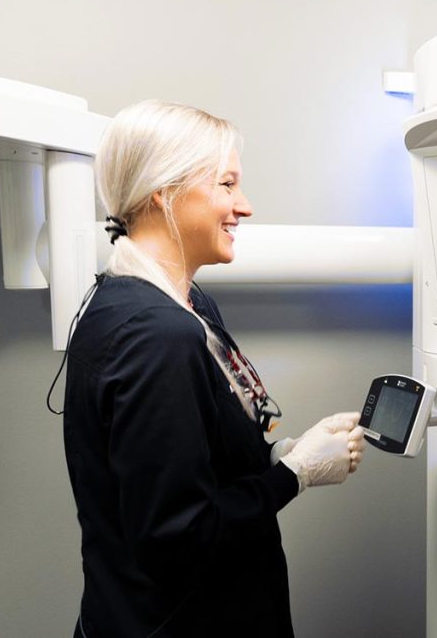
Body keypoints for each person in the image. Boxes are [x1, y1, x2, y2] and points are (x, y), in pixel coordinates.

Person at [61, 100, 366, 637]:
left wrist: (280, 453)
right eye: (226, 185)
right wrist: (293, 477)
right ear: (165, 192)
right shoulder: (158, 335)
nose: (243, 206)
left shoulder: (169, 303)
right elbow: (179, 538)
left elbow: (186, 457)